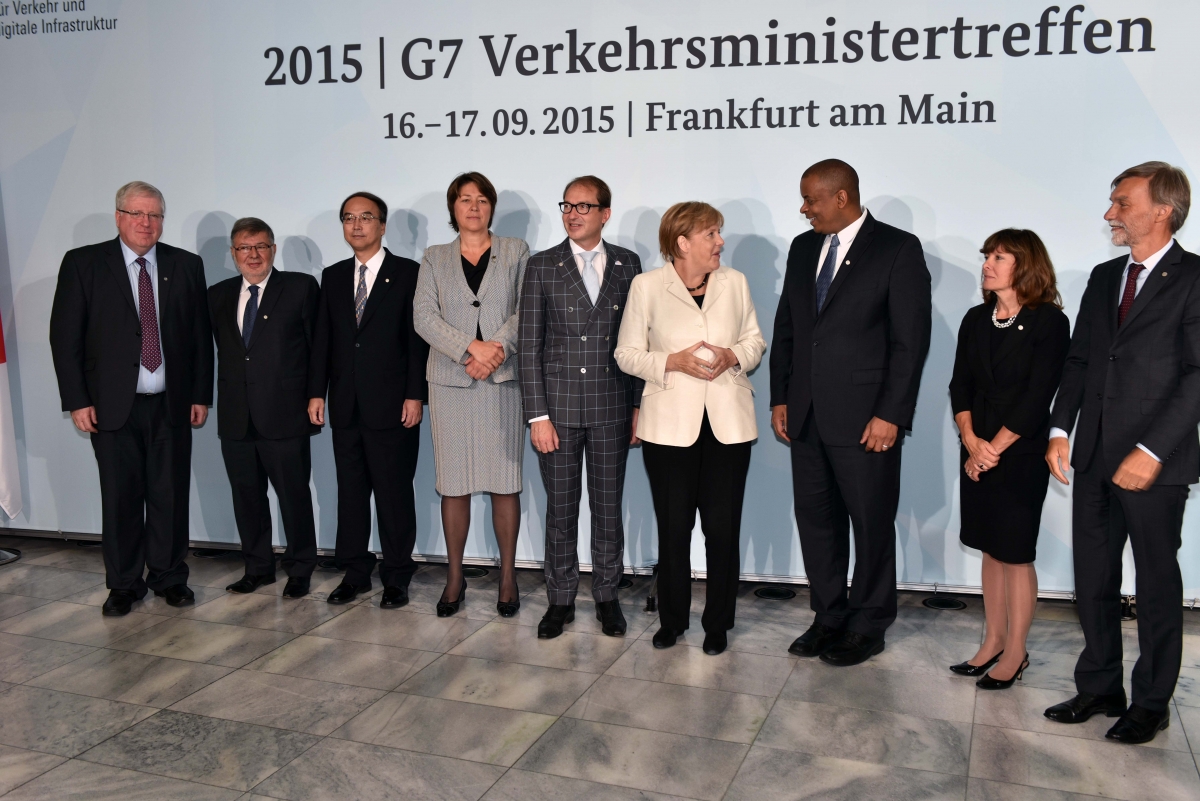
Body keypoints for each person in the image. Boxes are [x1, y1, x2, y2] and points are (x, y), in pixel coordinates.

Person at [1043, 162, 1199, 744]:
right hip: (1093, 457)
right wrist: (1060, 429)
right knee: (1095, 579)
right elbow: (1081, 359)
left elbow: (1196, 375)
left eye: (1122, 203)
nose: (1111, 213)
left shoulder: (1195, 278)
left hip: (1156, 464)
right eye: (1112, 203)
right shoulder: (1107, 277)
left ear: (1163, 209)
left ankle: (1152, 701)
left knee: (1156, 584)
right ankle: (1100, 686)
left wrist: (1152, 450)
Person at [770, 159, 932, 667]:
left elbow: (911, 342)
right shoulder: (802, 248)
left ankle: (869, 622)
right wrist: (781, 396)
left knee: (870, 524)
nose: (803, 209)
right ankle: (829, 616)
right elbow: (789, 328)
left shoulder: (897, 248)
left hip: (867, 420)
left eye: (810, 200)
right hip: (807, 416)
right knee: (816, 521)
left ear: (841, 197)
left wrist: (891, 414)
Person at [49, 181, 213, 616]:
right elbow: (65, 338)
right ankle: (123, 584)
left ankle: (168, 576)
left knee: (169, 495)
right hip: (110, 406)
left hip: (171, 403)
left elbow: (198, 336)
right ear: (119, 216)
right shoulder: (84, 263)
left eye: (155, 215)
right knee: (120, 498)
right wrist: (77, 400)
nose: (146, 223)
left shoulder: (186, 264)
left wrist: (201, 394)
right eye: (138, 214)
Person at [615, 201, 766, 656]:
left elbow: (756, 340)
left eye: (719, 234)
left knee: (722, 530)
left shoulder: (735, 282)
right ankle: (673, 621)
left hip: (728, 427)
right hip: (668, 430)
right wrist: (670, 361)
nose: (721, 242)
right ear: (682, 242)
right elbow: (626, 353)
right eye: (712, 235)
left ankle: (718, 623)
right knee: (674, 530)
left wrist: (733, 355)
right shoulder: (647, 286)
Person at [518, 176, 642, 639]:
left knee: (608, 510)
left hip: (612, 408)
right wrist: (538, 415)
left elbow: (637, 342)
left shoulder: (629, 264)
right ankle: (561, 599)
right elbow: (529, 346)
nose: (573, 214)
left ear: (605, 214)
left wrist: (637, 409)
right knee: (561, 511)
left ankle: (607, 596)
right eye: (567, 205)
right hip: (558, 413)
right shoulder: (542, 265)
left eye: (584, 207)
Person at [948, 229, 1070, 689]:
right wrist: (970, 439)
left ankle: (1016, 651)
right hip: (976, 447)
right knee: (989, 546)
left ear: (1026, 264)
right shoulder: (976, 319)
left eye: (999, 256)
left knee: (1015, 552)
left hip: (1018, 454)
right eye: (987, 256)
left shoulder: (1049, 322)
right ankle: (993, 640)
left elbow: (1037, 397)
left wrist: (992, 449)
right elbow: (960, 384)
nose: (987, 264)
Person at [414, 172, 530, 617]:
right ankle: (456, 576)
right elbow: (423, 316)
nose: (474, 207)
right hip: (451, 382)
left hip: (500, 382)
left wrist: (495, 349)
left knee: (505, 483)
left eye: (482, 200)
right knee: (454, 485)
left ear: (491, 207)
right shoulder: (434, 257)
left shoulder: (515, 250)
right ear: (453, 208)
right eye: (465, 200)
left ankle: (506, 577)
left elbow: (527, 307)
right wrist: (470, 349)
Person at [308, 192, 429, 607]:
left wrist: (416, 395)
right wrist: (315, 392)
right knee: (351, 492)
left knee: (394, 493)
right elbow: (323, 339)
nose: (356, 226)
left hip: (394, 405)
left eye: (365, 218)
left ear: (382, 224)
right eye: (348, 218)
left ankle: (397, 574)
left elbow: (417, 343)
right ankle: (356, 572)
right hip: (345, 404)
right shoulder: (334, 275)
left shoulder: (410, 272)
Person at [209, 217, 320, 598]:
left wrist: (315, 396)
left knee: (293, 497)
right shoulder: (218, 295)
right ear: (233, 253)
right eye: (244, 247)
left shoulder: (301, 287)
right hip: (236, 417)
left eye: (260, 246)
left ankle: (301, 567)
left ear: (273, 249)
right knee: (247, 498)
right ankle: (257, 567)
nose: (252, 255)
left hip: (286, 414)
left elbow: (317, 349)